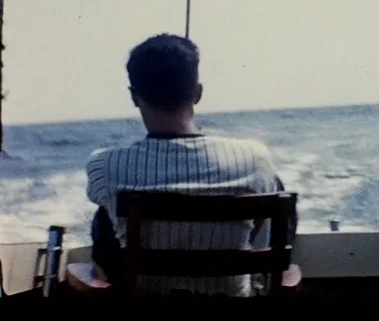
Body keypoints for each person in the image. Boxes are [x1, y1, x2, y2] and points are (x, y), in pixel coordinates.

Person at [86, 33, 296, 297]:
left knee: (108, 208)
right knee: (273, 189)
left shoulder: (104, 165)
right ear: (197, 92)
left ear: (134, 97)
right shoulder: (256, 158)